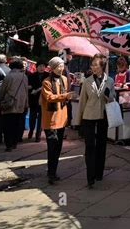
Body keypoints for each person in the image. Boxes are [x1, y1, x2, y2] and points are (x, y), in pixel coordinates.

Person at [77, 55, 115, 188]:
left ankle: (99, 173)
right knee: (90, 146)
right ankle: (90, 177)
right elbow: (82, 102)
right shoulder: (86, 81)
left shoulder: (109, 80)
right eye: (92, 65)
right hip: (89, 117)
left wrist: (108, 96)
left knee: (101, 145)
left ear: (102, 67)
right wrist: (78, 121)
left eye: (95, 65)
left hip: (103, 116)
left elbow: (113, 98)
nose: (93, 67)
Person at [41, 57, 75, 183]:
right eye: (58, 66)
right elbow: (49, 97)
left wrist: (68, 97)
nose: (61, 69)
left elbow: (65, 95)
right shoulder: (46, 82)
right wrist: (65, 96)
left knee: (58, 147)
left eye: (62, 66)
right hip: (50, 120)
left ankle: (53, 171)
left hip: (62, 118)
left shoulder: (65, 79)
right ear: (52, 68)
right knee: (52, 147)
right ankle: (51, 173)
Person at [0, 58, 29, 152]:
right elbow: (26, 91)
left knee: (8, 125)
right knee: (17, 124)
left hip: (9, 104)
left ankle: (9, 145)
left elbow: (2, 90)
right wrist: (26, 103)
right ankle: (15, 143)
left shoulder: (9, 76)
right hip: (20, 104)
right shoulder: (24, 77)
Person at [27, 61, 47, 141]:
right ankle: (31, 130)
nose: (42, 68)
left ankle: (38, 135)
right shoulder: (31, 75)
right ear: (37, 67)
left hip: (43, 99)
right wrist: (31, 89)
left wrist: (38, 89)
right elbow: (28, 86)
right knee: (32, 117)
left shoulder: (48, 76)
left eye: (43, 66)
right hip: (33, 99)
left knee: (41, 118)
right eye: (40, 66)